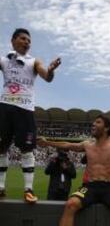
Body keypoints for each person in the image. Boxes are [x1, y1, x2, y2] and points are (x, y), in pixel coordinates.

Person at [0, 28, 61, 203]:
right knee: (1, 149)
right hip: (4, 107)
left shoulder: (33, 61)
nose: (27, 42)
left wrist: (50, 70)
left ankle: (28, 190)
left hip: (25, 109)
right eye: (23, 39)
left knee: (27, 149)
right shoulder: (4, 60)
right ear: (13, 41)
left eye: (29, 40)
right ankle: (1, 188)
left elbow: (46, 76)